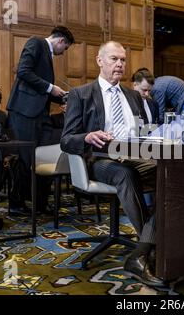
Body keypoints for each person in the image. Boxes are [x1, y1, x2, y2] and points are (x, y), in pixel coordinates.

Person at [60, 41, 164, 287]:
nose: (119, 64)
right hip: (100, 160)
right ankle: (153, 248)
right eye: (114, 59)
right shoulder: (81, 94)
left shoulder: (132, 95)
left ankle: (141, 252)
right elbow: (65, 140)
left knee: (174, 174)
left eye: (123, 60)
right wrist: (86, 137)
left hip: (137, 156)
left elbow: (142, 133)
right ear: (99, 60)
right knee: (125, 173)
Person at [6, 25, 74, 211]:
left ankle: (40, 203)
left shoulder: (47, 52)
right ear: (61, 41)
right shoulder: (36, 42)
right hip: (24, 112)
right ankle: (16, 203)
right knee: (26, 159)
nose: (64, 52)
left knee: (48, 154)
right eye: (65, 48)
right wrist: (50, 88)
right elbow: (23, 71)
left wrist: (64, 97)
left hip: (39, 115)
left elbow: (41, 88)